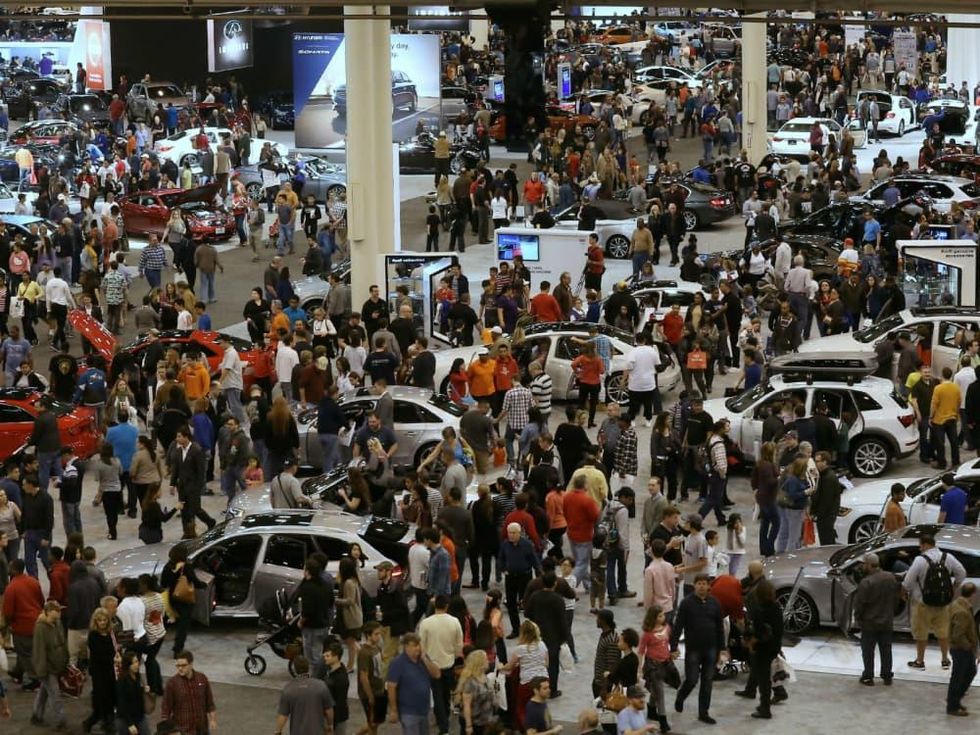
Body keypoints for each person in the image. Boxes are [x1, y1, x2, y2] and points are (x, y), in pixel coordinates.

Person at [902, 533, 967, 670]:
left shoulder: (919, 560)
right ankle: (945, 660)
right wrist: (954, 587)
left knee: (921, 633)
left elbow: (908, 582)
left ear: (925, 544)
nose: (920, 548)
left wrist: (904, 593)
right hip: (943, 603)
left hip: (922, 603)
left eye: (920, 546)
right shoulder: (948, 557)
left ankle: (920, 661)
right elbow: (962, 573)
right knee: (943, 632)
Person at [670, 574, 726, 725]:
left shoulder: (715, 603)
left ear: (708, 586)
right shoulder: (686, 603)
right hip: (693, 649)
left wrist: (722, 648)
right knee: (692, 679)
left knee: (707, 681)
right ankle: (681, 696)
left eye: (704, 584)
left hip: (711, 648)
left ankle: (703, 713)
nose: (701, 586)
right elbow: (678, 626)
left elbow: (720, 627)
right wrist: (673, 646)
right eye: (699, 583)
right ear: (694, 585)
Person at [851, 552, 902, 687]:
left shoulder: (866, 582)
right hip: (887, 621)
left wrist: (858, 618)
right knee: (886, 649)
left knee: (868, 651)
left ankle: (868, 677)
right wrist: (890, 613)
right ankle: (887, 676)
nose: (862, 567)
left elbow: (860, 604)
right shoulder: (890, 578)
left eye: (863, 564)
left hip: (869, 623)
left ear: (869, 565)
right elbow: (896, 599)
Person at [419, 594, 463, 734]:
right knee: (446, 694)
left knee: (437, 695)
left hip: (432, 665)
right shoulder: (454, 621)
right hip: (449, 663)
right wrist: (454, 656)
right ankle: (445, 717)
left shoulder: (426, 623)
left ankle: (443, 726)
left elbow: (421, 646)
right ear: (447, 606)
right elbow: (459, 645)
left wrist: (425, 661)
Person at [386, 632, 439, 735]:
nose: (418, 648)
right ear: (406, 646)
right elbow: (391, 687)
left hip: (424, 710)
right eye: (414, 645)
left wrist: (424, 659)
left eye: (419, 645)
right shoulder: (397, 663)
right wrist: (394, 710)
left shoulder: (423, 659)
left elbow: (437, 674)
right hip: (408, 712)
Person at [31, 600, 69, 729]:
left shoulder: (57, 623)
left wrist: (65, 659)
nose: (59, 613)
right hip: (47, 667)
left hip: (56, 665)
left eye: (59, 611)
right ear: (48, 612)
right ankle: (61, 721)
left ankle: (36, 715)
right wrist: (41, 671)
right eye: (56, 611)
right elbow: (39, 651)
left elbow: (62, 642)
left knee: (44, 692)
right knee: (55, 695)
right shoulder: (40, 628)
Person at [498, 521, 541, 636]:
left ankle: (531, 629)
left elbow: (535, 561)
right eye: (509, 533)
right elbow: (501, 558)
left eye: (513, 533)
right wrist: (503, 569)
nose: (511, 535)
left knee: (527, 603)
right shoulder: (505, 545)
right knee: (511, 604)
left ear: (519, 533)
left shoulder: (527, 545)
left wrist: (539, 575)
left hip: (525, 577)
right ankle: (515, 629)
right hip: (511, 577)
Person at [161, 650, 217, 735]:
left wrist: (213, 720)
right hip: (184, 731)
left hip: (202, 729)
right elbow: (165, 709)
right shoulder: (172, 683)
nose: (180, 668)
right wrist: (169, 732)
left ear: (191, 664)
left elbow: (209, 703)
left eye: (183, 665)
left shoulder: (202, 678)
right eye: (178, 665)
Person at [947, 583, 978, 716]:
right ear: (973, 594)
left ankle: (955, 700)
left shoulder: (956, 604)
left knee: (968, 672)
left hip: (960, 648)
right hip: (961, 649)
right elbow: (958, 635)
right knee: (959, 677)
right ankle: (953, 705)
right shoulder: (963, 612)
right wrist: (969, 647)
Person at [115, 650, 152, 735]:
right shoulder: (122, 681)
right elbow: (122, 703)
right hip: (126, 719)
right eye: (133, 662)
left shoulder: (137, 676)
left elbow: (137, 692)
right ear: (128, 665)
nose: (137, 664)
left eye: (137, 661)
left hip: (139, 715)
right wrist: (130, 724)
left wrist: (143, 689)